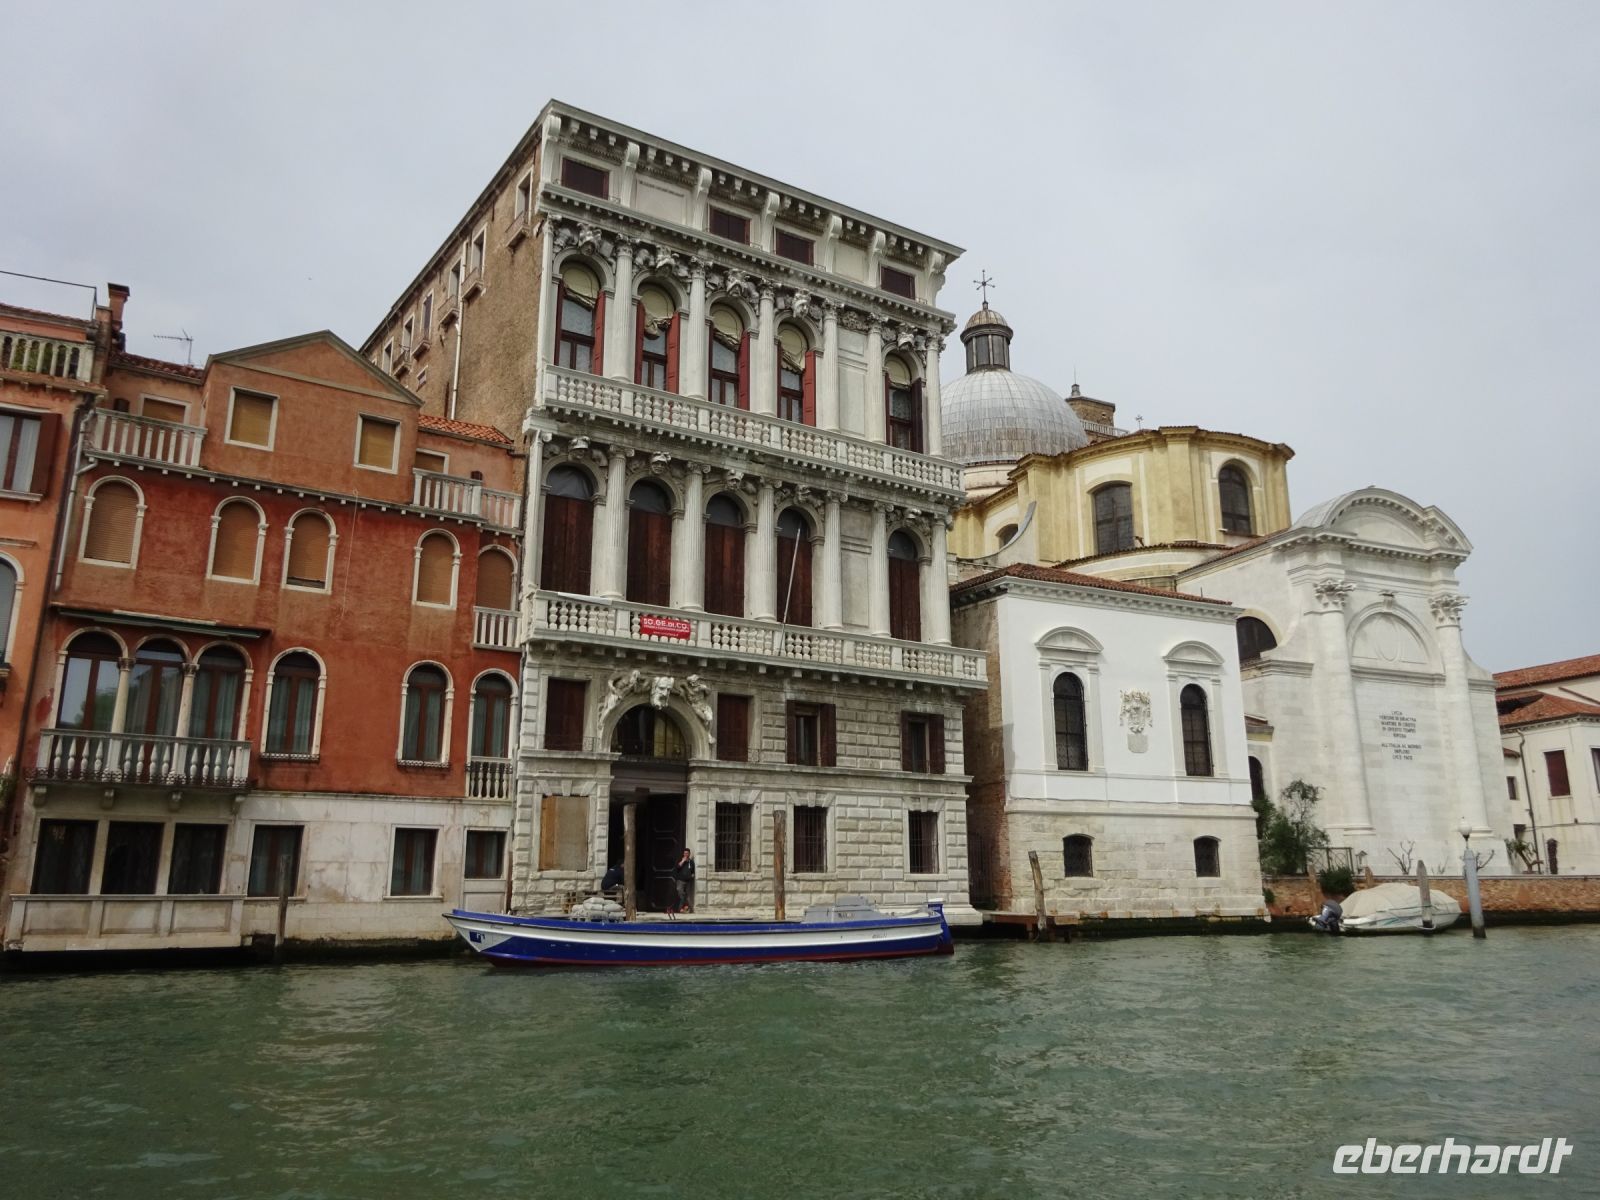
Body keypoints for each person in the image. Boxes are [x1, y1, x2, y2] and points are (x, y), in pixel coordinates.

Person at [671, 847, 696, 914]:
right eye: (685, 853)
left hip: (688, 881)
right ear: (683, 854)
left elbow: (693, 871)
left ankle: (683, 909)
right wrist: (683, 861)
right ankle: (683, 908)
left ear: (689, 854)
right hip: (680, 881)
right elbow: (677, 867)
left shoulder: (691, 862)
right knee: (681, 893)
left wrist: (692, 875)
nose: (686, 854)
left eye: (687, 853)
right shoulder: (680, 860)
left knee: (687, 895)